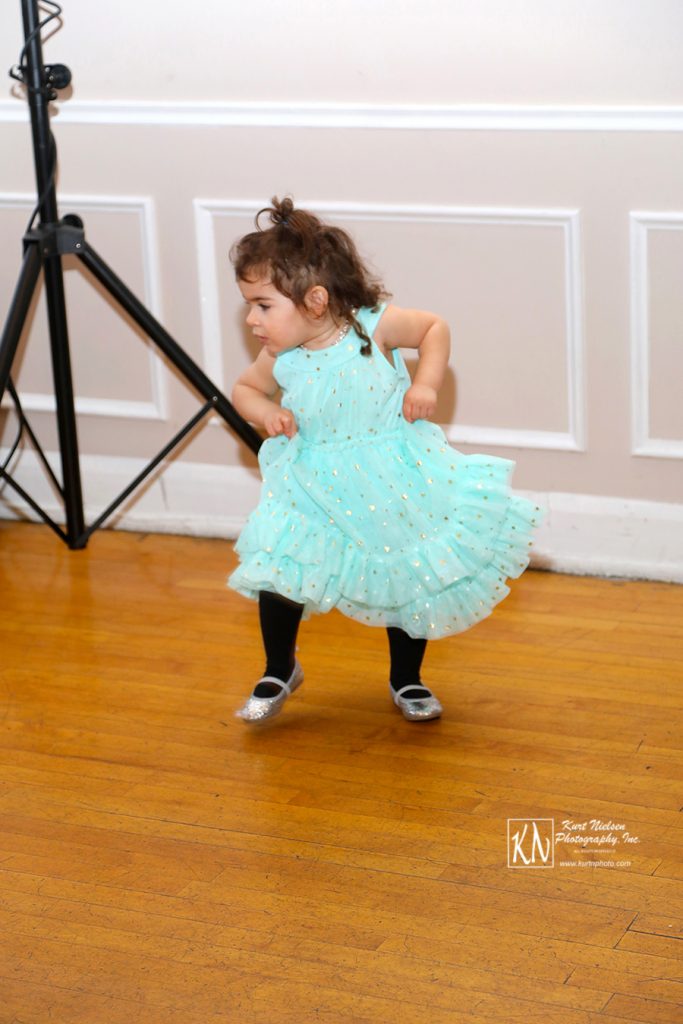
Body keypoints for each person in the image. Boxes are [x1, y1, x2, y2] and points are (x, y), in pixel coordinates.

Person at [227, 196, 542, 724]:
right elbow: (243, 388)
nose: (251, 319)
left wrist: (425, 382)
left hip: (388, 476)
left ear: (316, 300)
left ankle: (407, 677)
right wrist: (264, 412)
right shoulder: (281, 355)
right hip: (310, 480)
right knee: (281, 566)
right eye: (248, 305)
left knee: (405, 570)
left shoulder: (373, 329)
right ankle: (279, 667)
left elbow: (434, 328)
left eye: (262, 305)